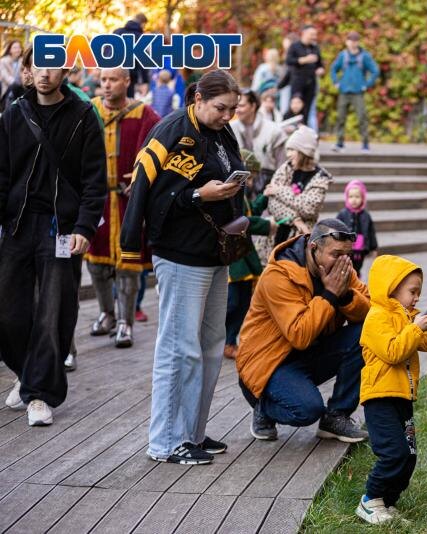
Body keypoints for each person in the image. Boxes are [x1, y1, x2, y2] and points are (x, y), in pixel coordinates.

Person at [120, 69, 245, 464]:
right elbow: (146, 193)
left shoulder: (222, 133)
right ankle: (165, 441)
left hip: (214, 251)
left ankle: (192, 432)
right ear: (199, 100)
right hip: (178, 254)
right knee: (178, 349)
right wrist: (197, 194)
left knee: (209, 347)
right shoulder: (170, 129)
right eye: (221, 108)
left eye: (233, 109)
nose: (228, 116)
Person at [0, 62, 106, 426]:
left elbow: (95, 181)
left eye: (52, 68)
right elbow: (1, 173)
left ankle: (40, 395)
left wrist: (85, 227)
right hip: (17, 225)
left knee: (53, 312)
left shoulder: (83, 115)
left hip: (61, 229)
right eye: (36, 67)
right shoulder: (14, 114)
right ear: (28, 72)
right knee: (8, 313)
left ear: (65, 72)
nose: (44, 75)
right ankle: (29, 374)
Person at [236, 219, 371, 443]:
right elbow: (299, 335)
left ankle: (336, 417)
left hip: (308, 353)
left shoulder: (340, 268)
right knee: (307, 410)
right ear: (313, 248)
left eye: (347, 255)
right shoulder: (278, 276)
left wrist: (345, 295)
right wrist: (330, 295)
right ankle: (263, 405)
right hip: (268, 363)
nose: (343, 261)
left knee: (366, 332)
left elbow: (368, 311)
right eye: (336, 254)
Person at [355, 255, 427, 524]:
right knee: (393, 452)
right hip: (380, 398)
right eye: (412, 291)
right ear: (391, 288)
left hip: (402, 397)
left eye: (419, 292)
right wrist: (414, 328)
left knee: (408, 456)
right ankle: (369, 500)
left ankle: (386, 503)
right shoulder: (377, 318)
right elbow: (393, 351)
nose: (417, 298)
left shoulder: (409, 317)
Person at [86, 68, 160, 350]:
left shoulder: (145, 114)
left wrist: (144, 179)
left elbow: (161, 147)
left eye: (113, 79)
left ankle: (125, 321)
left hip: (129, 201)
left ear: (127, 81)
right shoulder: (89, 109)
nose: (106, 85)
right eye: (103, 80)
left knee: (128, 264)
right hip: (97, 200)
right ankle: (106, 313)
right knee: (96, 261)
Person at [224, 149, 276, 360]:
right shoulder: (231, 193)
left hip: (244, 255)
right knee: (234, 301)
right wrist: (266, 225)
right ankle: (226, 340)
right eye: (251, 176)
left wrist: (265, 197)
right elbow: (242, 221)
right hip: (235, 257)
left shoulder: (241, 195)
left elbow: (249, 211)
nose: (252, 181)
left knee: (244, 301)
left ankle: (232, 338)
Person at [266, 125, 331, 249]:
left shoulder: (320, 178)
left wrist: (279, 191)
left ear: (304, 152)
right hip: (276, 236)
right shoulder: (285, 168)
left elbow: (309, 208)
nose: (288, 154)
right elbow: (272, 203)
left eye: (292, 150)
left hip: (300, 239)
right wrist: (295, 219)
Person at [229, 89, 288, 191]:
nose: (237, 110)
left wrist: (277, 188)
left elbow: (282, 166)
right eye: (235, 106)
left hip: (268, 186)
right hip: (236, 187)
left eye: (241, 105)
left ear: (253, 106)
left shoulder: (274, 131)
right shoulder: (229, 129)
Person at [331, 32, 379, 153]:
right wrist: (336, 82)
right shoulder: (343, 55)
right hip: (344, 91)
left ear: (358, 42)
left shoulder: (364, 56)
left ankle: (365, 145)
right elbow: (333, 69)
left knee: (362, 117)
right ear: (347, 42)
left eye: (355, 40)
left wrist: (367, 85)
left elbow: (375, 71)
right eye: (350, 40)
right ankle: (340, 143)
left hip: (358, 92)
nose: (353, 43)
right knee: (341, 117)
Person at [336, 179, 378, 277]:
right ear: (347, 197)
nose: (354, 199)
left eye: (357, 197)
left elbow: (371, 232)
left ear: (363, 198)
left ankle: (356, 277)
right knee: (346, 266)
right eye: (351, 197)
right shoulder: (343, 214)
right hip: (346, 248)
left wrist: (373, 248)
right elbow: (336, 227)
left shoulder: (366, 215)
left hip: (360, 249)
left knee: (357, 267)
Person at [285, 25, 324, 126]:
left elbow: (320, 63)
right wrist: (303, 60)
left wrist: (320, 69)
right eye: (312, 34)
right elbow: (288, 61)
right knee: (294, 108)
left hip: (311, 83)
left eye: (315, 34)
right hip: (297, 83)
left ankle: (305, 133)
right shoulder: (294, 46)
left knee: (307, 109)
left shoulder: (315, 47)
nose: (314, 37)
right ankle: (291, 132)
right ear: (304, 33)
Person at [113, 14, 150, 98]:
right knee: (127, 102)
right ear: (143, 24)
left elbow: (107, 51)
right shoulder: (139, 36)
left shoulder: (117, 32)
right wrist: (145, 81)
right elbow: (143, 60)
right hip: (129, 76)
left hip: (112, 72)